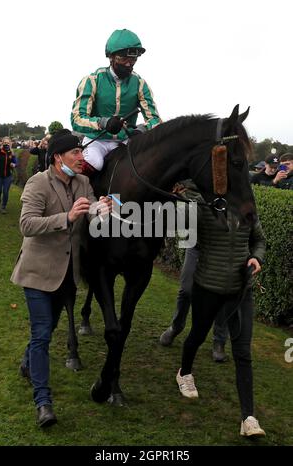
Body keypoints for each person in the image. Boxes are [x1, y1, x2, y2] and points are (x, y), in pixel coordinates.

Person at [11, 129, 112, 427]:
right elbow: (27, 225)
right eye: (76, 153)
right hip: (38, 272)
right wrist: (66, 217)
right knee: (42, 333)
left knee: (49, 328)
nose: (82, 158)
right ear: (58, 157)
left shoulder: (83, 182)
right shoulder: (37, 183)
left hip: (68, 273)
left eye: (81, 152)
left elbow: (93, 217)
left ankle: (28, 362)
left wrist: (102, 209)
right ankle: (43, 402)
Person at [174, 184, 266, 438]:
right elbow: (183, 228)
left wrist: (256, 258)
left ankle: (248, 417)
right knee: (197, 335)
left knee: (243, 352)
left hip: (240, 290)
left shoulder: (248, 206)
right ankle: (185, 372)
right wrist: (186, 199)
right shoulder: (203, 205)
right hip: (207, 287)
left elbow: (258, 239)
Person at [71, 28, 161, 175]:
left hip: (125, 141)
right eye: (124, 58)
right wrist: (103, 122)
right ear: (111, 57)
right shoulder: (92, 80)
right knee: (95, 162)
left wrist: (142, 130)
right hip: (97, 141)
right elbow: (77, 119)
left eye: (133, 59)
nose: (129, 64)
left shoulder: (140, 84)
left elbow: (155, 119)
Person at [160, 245, 229, 362]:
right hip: (196, 244)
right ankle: (176, 326)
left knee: (223, 293)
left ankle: (219, 341)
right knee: (186, 288)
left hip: (222, 248)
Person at [0, 137, 17, 213]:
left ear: (10, 143)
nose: (6, 144)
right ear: (2, 143)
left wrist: (14, 164)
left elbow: (16, 162)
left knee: (6, 192)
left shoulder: (12, 153)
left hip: (8, 176)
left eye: (7, 143)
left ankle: (3, 207)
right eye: (5, 143)